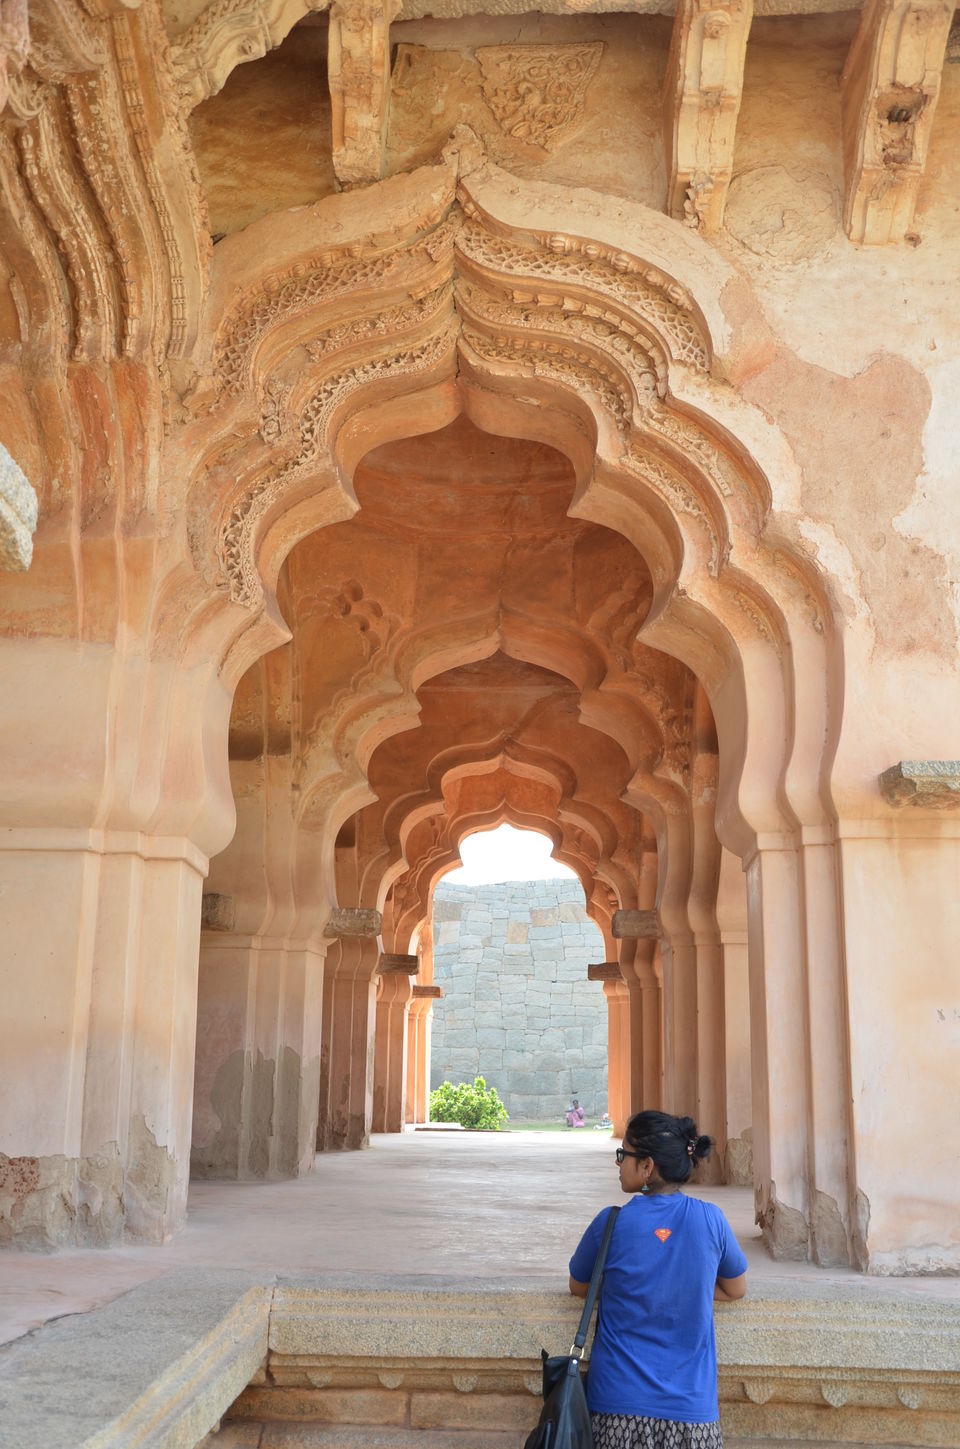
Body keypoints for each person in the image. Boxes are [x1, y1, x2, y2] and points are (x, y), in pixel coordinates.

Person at [568, 1109, 747, 1449]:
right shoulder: (712, 1220)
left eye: (624, 1155)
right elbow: (735, 1288)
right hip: (692, 1414)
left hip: (617, 1410)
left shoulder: (610, 1224)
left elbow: (579, 1286)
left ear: (647, 1166)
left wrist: (628, 1285)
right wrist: (684, 1284)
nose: (618, 1163)